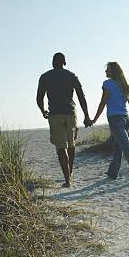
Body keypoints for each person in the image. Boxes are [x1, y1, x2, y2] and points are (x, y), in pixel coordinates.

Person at [37, 52, 92, 187]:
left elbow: (39, 98)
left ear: (52, 63)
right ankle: (70, 172)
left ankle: (67, 180)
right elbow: (81, 97)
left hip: (55, 114)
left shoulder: (45, 77)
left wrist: (43, 110)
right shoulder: (71, 76)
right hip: (70, 113)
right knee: (71, 145)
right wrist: (86, 115)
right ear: (65, 63)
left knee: (61, 148)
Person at [91, 62, 129, 183]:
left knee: (127, 148)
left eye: (107, 70)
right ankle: (112, 173)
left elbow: (103, 102)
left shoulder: (107, 84)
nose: (105, 72)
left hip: (115, 120)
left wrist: (94, 119)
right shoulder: (124, 85)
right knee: (118, 147)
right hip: (126, 119)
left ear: (113, 71)